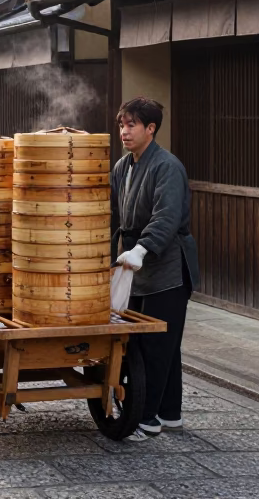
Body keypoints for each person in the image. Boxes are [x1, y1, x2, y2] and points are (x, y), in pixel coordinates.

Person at [109, 96, 199, 442]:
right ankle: (170, 413)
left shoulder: (167, 166)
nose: (124, 131)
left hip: (168, 267)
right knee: (161, 345)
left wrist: (143, 249)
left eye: (132, 125)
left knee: (156, 347)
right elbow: (114, 218)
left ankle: (146, 419)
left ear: (151, 129)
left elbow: (167, 217)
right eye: (121, 124)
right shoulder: (122, 167)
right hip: (135, 266)